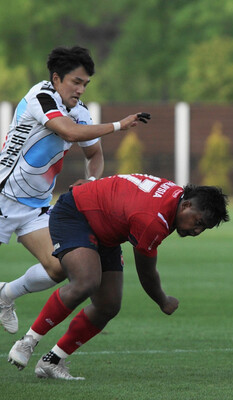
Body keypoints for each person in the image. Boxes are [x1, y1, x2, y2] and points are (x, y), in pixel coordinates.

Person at [7, 173, 230, 379]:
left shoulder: (175, 194)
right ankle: (28, 341)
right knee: (86, 282)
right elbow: (146, 271)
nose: (197, 231)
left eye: (204, 228)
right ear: (187, 205)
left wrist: (95, 184)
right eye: (198, 222)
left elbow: (126, 183)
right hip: (75, 215)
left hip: (107, 228)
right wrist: (163, 300)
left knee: (108, 305)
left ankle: (52, 361)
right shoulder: (154, 219)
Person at [0, 45, 150, 334]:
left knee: (58, 268)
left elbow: (95, 155)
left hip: (35, 207)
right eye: (76, 82)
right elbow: (67, 131)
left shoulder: (81, 112)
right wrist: (119, 125)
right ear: (57, 79)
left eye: (86, 84)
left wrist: (91, 181)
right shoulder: (40, 96)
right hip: (3, 196)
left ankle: (5, 295)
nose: (81, 89)